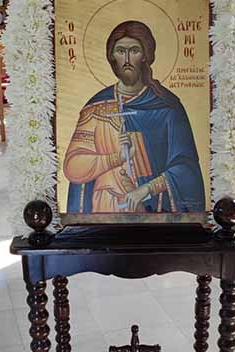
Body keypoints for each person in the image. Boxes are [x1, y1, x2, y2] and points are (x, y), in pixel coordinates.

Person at [63, 20, 205, 214]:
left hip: (154, 211)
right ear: (112, 56)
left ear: (146, 55)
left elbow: (186, 168)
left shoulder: (168, 107)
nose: (127, 59)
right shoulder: (96, 108)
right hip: (105, 210)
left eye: (134, 51)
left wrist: (147, 189)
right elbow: (73, 166)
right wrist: (117, 158)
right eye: (121, 51)